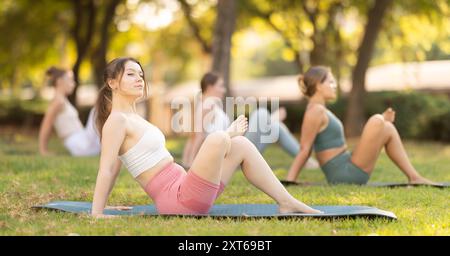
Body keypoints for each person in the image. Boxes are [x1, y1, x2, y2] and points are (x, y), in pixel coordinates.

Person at [91, 57, 321, 218]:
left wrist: (107, 205)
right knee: (218, 139)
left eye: (141, 74)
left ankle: (286, 201)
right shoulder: (117, 120)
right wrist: (98, 212)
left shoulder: (134, 118)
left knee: (240, 144)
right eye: (131, 74)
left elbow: (118, 166)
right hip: (177, 200)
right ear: (112, 83)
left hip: (188, 189)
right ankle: (228, 134)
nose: (140, 78)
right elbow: (108, 168)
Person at [285, 65, 438, 185]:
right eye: (330, 82)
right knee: (376, 121)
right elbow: (305, 148)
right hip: (343, 174)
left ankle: (414, 177)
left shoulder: (319, 110)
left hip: (346, 165)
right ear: (318, 85)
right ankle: (382, 119)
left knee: (387, 128)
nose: (334, 85)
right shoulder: (315, 111)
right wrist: (290, 181)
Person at [182, 72, 319, 170]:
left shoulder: (207, 104)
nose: (223, 90)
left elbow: (193, 137)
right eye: (221, 86)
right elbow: (198, 135)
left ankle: (305, 160)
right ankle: (271, 121)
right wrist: (191, 164)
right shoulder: (209, 104)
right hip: (229, 155)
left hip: (233, 150)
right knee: (261, 114)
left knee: (276, 128)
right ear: (210, 87)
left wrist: (186, 161)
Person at [38, 67, 100, 156]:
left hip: (83, 140)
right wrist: (43, 150)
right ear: (59, 81)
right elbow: (46, 126)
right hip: (78, 143)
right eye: (70, 80)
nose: (73, 84)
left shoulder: (63, 100)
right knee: (97, 110)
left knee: (100, 110)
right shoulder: (58, 102)